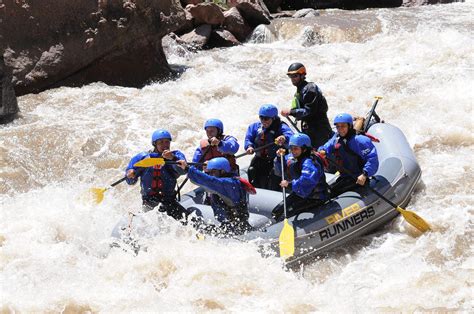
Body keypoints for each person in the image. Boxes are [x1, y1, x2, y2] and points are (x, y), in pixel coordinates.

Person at [179, 157, 255, 235]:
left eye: (213, 171)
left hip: (237, 228)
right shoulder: (228, 179)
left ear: (222, 171)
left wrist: (188, 169)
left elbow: (210, 181)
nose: (211, 174)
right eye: (210, 172)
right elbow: (208, 181)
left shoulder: (228, 184)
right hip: (229, 224)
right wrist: (207, 169)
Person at [125, 129, 188, 221]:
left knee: (187, 219)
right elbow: (130, 181)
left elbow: (183, 171)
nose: (165, 145)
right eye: (161, 142)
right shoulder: (142, 157)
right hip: (149, 201)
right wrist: (130, 174)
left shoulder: (176, 155)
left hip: (168, 200)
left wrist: (172, 158)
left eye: (167, 142)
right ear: (154, 144)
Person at [318, 113, 379, 197]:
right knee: (330, 192)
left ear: (349, 126)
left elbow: (372, 158)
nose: (340, 129)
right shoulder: (337, 138)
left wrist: (365, 174)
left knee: (333, 194)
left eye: (343, 126)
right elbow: (328, 145)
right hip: (345, 176)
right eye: (338, 126)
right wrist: (322, 150)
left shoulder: (360, 140)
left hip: (358, 177)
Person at [272, 133, 329, 220]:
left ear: (304, 149)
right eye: (291, 148)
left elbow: (307, 180)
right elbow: (279, 171)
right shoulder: (295, 157)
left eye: (296, 149)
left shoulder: (309, 162)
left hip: (315, 197)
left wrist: (289, 184)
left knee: (287, 214)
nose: (293, 151)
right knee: (276, 211)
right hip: (301, 193)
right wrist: (280, 158)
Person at [280, 62, 333, 148]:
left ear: (302, 75)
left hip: (319, 130)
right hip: (309, 129)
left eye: (295, 76)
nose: (293, 79)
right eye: (291, 76)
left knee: (320, 155)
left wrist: (291, 112)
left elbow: (309, 111)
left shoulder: (310, 89)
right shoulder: (300, 91)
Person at [244, 104, 294, 191]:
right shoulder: (255, 127)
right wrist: (249, 146)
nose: (263, 121)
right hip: (260, 158)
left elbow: (291, 137)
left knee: (273, 176)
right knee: (252, 170)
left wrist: (284, 138)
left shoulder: (281, 127)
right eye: (261, 118)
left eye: (266, 118)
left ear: (273, 118)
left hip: (276, 159)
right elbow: (248, 138)